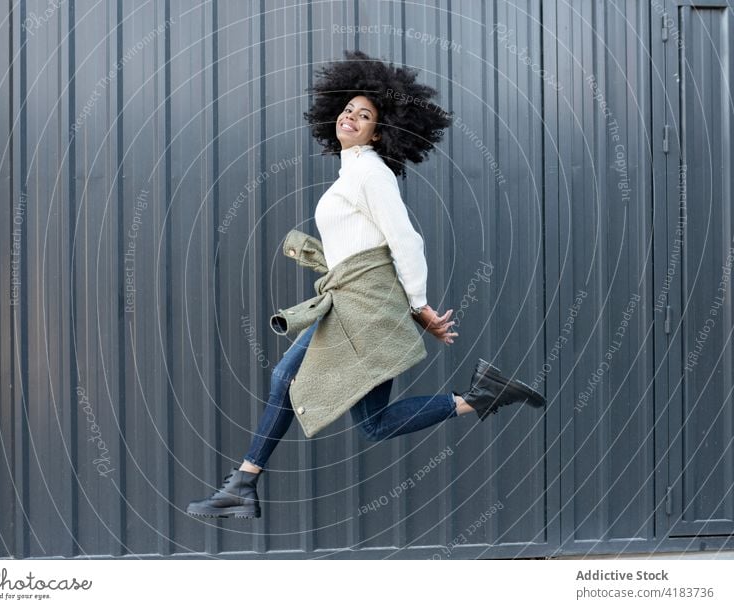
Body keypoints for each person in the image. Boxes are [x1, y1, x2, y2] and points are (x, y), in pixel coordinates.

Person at [187, 50, 545, 519]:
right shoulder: (352, 172)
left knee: (286, 378)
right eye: (348, 109)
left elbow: (405, 240)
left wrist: (418, 305)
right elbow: (360, 245)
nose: (351, 117)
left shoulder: (371, 172)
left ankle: (243, 484)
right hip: (355, 303)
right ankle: (482, 395)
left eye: (365, 114)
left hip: (365, 308)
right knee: (374, 424)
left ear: (380, 130)